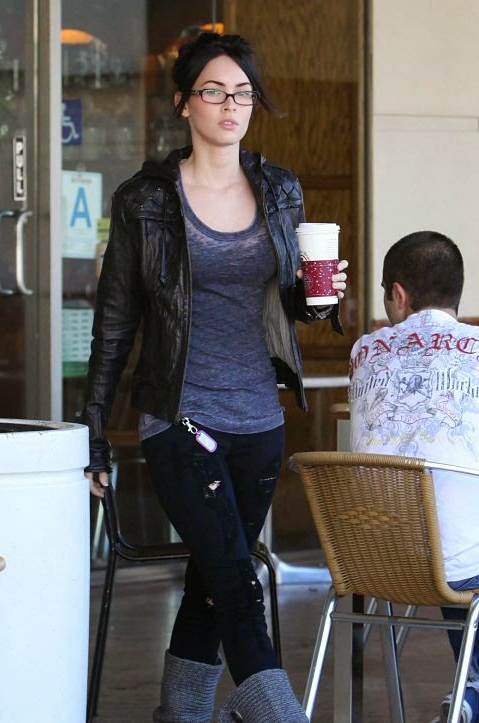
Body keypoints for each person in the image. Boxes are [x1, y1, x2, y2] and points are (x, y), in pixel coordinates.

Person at [82, 31, 348, 723]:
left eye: (243, 93)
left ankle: (181, 712)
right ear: (183, 103)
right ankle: (279, 712)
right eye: (214, 91)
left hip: (260, 420)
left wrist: (320, 299)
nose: (231, 106)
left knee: (213, 577)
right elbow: (115, 322)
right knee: (235, 579)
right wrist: (95, 434)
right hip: (180, 416)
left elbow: (295, 305)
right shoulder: (145, 199)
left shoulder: (280, 189)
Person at [348, 231, 479, 723]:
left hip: (372, 557)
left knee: (454, 531)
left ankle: (470, 693)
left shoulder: (364, 352)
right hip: (458, 565)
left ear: (398, 295)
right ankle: (471, 694)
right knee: (460, 540)